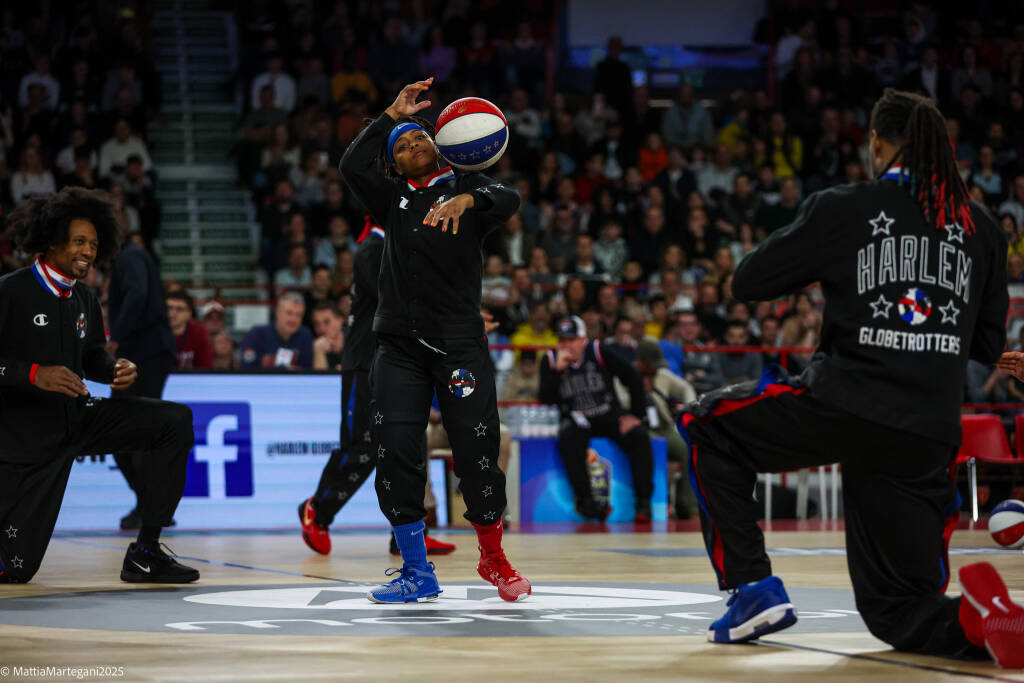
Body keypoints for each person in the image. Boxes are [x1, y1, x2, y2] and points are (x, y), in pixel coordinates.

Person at [678, 88, 1023, 667]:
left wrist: (827, 259)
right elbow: (987, 346)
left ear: (877, 143)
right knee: (899, 610)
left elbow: (748, 281)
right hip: (927, 433)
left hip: (844, 403)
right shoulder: (983, 228)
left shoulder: (847, 206)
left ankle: (753, 589)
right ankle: (982, 617)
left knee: (707, 426)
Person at [339, 77, 529, 603]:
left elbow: (508, 197)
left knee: (478, 453)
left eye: (418, 137)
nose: (411, 145)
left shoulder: (471, 187)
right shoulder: (391, 197)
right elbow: (351, 166)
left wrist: (468, 197)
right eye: (400, 146)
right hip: (397, 349)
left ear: (439, 144)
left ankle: (493, 558)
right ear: (394, 164)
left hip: (459, 347)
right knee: (397, 453)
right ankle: (416, 571)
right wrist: (390, 115)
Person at [0, 188, 197, 584]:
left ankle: (146, 553)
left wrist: (113, 369)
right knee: (15, 569)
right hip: (25, 440)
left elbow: (91, 355)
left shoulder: (84, 298)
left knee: (175, 421)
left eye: (93, 243)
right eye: (79, 241)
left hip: (78, 418)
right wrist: (34, 373)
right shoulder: (10, 291)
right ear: (52, 242)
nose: (88, 251)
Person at [298, 221, 455, 558]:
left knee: (408, 446)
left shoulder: (395, 244)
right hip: (367, 364)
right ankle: (318, 509)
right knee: (363, 447)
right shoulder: (373, 247)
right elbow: (397, 299)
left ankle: (409, 533)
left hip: (400, 362)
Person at [539, 315, 655, 522]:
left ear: (583, 340)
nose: (566, 345)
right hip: (576, 418)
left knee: (639, 436)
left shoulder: (598, 351)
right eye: (562, 340)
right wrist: (557, 372)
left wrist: (636, 415)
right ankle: (587, 503)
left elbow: (632, 376)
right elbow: (545, 399)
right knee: (568, 440)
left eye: (572, 340)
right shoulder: (549, 360)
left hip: (608, 414)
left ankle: (643, 504)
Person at [108, 226, 176, 531]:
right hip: (145, 351)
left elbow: (138, 293)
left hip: (143, 352)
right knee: (126, 433)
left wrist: (115, 337)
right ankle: (149, 504)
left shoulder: (129, 256)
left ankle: (151, 507)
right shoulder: (132, 257)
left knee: (135, 430)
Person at [239, 292, 314, 369]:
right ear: (277, 312)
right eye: (289, 313)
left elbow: (309, 369)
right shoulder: (256, 335)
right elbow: (247, 366)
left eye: (298, 315)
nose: (293, 319)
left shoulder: (305, 335)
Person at [167, 290, 213, 369]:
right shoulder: (155, 331)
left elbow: (205, 368)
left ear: (189, 314)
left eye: (179, 309)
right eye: (169, 308)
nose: (172, 313)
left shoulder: (199, 332)